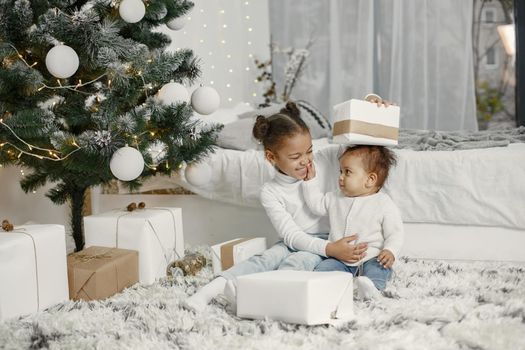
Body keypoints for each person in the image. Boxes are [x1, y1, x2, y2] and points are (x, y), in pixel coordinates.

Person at [183, 101, 369, 312]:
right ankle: (205, 294)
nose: (306, 161)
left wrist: (372, 106)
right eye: (295, 157)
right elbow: (291, 235)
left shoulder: (324, 159)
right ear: (271, 157)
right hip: (296, 241)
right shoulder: (270, 192)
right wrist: (329, 249)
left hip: (327, 239)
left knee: (296, 263)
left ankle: (252, 299)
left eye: (309, 151)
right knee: (265, 258)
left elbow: (359, 144)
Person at [303, 145, 404, 300]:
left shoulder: (383, 203)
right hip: (339, 259)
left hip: (371, 256)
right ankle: (327, 289)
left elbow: (395, 233)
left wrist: (390, 251)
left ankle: (372, 289)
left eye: (347, 172)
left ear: (370, 180)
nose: (341, 177)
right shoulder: (335, 197)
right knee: (324, 269)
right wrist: (309, 181)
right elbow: (316, 206)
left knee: (380, 269)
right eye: (340, 171)